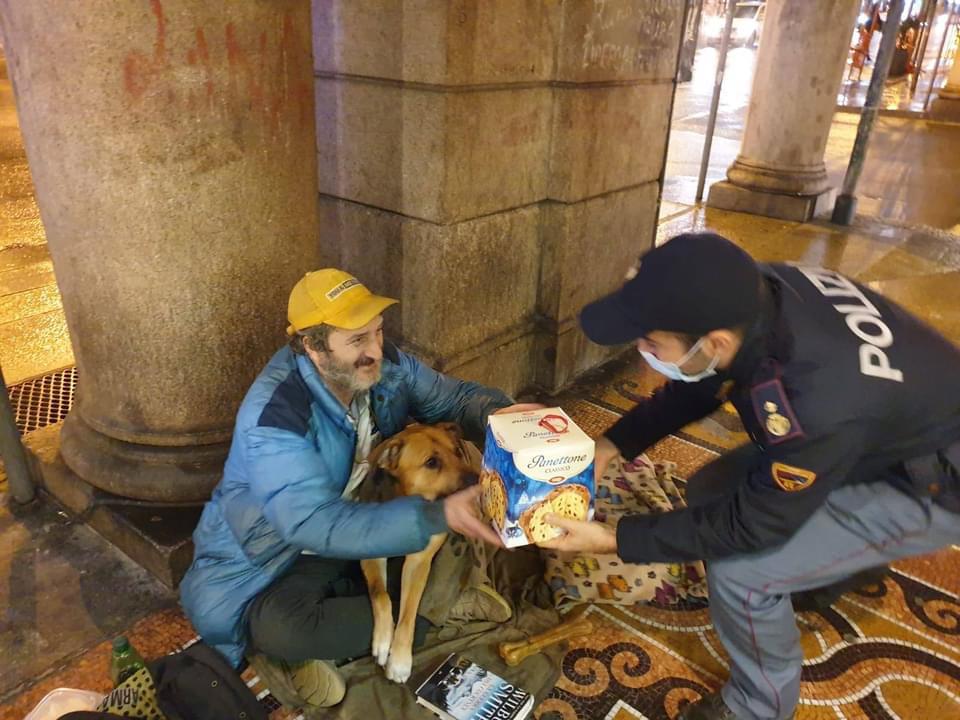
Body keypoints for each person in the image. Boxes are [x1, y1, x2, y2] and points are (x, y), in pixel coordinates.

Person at [539, 233, 960, 720]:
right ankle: (840, 563)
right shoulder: (759, 294)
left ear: (715, 341)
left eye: (652, 341)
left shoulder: (817, 401)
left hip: (930, 483)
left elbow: (752, 525)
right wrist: (612, 445)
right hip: (886, 427)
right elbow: (705, 380)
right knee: (710, 487)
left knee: (742, 572)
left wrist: (613, 539)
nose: (642, 349)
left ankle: (756, 706)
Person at [180, 269, 533, 712]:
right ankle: (438, 608)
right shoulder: (273, 420)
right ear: (313, 346)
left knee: (428, 522)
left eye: (378, 332)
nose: (375, 351)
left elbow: (454, 399)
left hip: (366, 521)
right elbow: (314, 524)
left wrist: (504, 414)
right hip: (290, 551)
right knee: (276, 628)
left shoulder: (386, 369)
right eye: (357, 340)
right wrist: (433, 517)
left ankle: (391, 618)